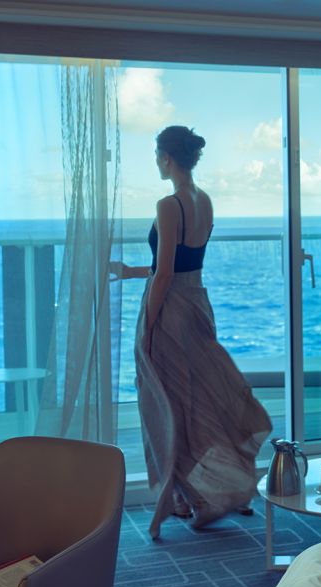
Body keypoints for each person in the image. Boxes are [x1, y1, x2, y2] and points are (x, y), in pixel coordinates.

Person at [111, 125, 272, 539]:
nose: (155, 162)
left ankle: (183, 496)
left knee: (164, 404)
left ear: (167, 158)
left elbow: (165, 273)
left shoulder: (169, 204)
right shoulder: (205, 201)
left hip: (170, 312)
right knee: (200, 401)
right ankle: (203, 491)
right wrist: (130, 271)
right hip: (198, 303)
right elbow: (185, 264)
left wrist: (147, 323)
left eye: (155, 154)